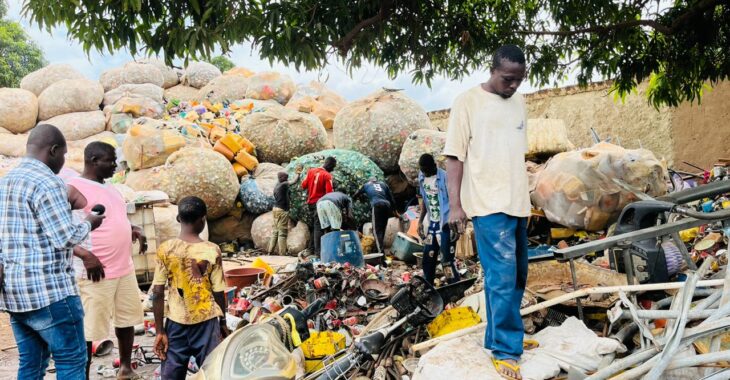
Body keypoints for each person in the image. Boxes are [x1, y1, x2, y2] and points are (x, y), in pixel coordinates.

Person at [443, 44, 531, 380]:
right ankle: (506, 350)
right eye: (508, 79)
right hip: (487, 203)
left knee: (518, 276)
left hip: (517, 202)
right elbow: (454, 156)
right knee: (501, 278)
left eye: (519, 81)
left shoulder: (519, 102)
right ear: (492, 70)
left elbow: (514, 154)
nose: (513, 86)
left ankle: (500, 337)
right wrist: (455, 206)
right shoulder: (467, 102)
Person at [0, 124, 105, 380]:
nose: (64, 161)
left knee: (31, 365)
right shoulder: (49, 183)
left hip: (15, 293)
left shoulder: (5, 182)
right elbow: (65, 238)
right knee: (71, 361)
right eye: (64, 155)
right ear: (54, 150)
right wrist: (90, 221)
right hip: (50, 293)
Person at [66, 142, 147, 380]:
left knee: (126, 320)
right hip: (95, 272)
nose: (114, 165)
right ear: (93, 160)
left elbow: (115, 218)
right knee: (89, 331)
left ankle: (125, 368)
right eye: (110, 161)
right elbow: (59, 232)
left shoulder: (111, 188)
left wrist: (134, 228)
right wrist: (85, 255)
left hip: (124, 268)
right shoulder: (73, 188)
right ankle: (82, 376)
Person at [152, 196, 229, 380]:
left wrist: (160, 330)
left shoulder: (165, 249)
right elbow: (219, 291)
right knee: (212, 372)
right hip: (207, 322)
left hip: (175, 322)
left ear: (179, 219)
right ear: (203, 219)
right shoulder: (212, 250)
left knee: (171, 375)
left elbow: (157, 292)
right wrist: (223, 322)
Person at [416, 154, 460, 286]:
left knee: (446, 260)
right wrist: (420, 221)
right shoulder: (422, 177)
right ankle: (428, 287)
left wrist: (456, 225)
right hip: (432, 225)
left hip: (447, 224)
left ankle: (454, 286)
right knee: (428, 258)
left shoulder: (445, 177)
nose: (425, 173)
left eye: (427, 170)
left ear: (434, 166)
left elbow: (455, 200)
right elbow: (425, 199)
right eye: (423, 171)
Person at [301, 156, 336, 254]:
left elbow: (303, 185)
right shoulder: (327, 175)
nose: (333, 170)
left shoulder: (311, 171)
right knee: (319, 227)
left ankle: (311, 249)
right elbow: (329, 193)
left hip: (310, 203)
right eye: (333, 167)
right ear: (330, 166)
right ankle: (318, 252)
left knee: (314, 225)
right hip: (320, 204)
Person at [354, 177, 397, 253]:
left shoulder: (366, 185)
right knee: (382, 228)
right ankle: (379, 248)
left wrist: (357, 198)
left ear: (370, 181)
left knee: (376, 230)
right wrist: (395, 212)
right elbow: (392, 198)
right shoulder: (383, 184)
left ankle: (380, 253)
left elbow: (356, 194)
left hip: (377, 205)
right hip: (387, 205)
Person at [268, 168, 301, 255]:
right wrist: (298, 173)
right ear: (281, 178)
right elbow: (294, 181)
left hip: (275, 209)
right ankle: (282, 253)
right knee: (282, 233)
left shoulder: (277, 185)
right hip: (282, 210)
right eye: (285, 177)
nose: (287, 178)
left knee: (275, 231)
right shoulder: (284, 184)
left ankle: (270, 251)